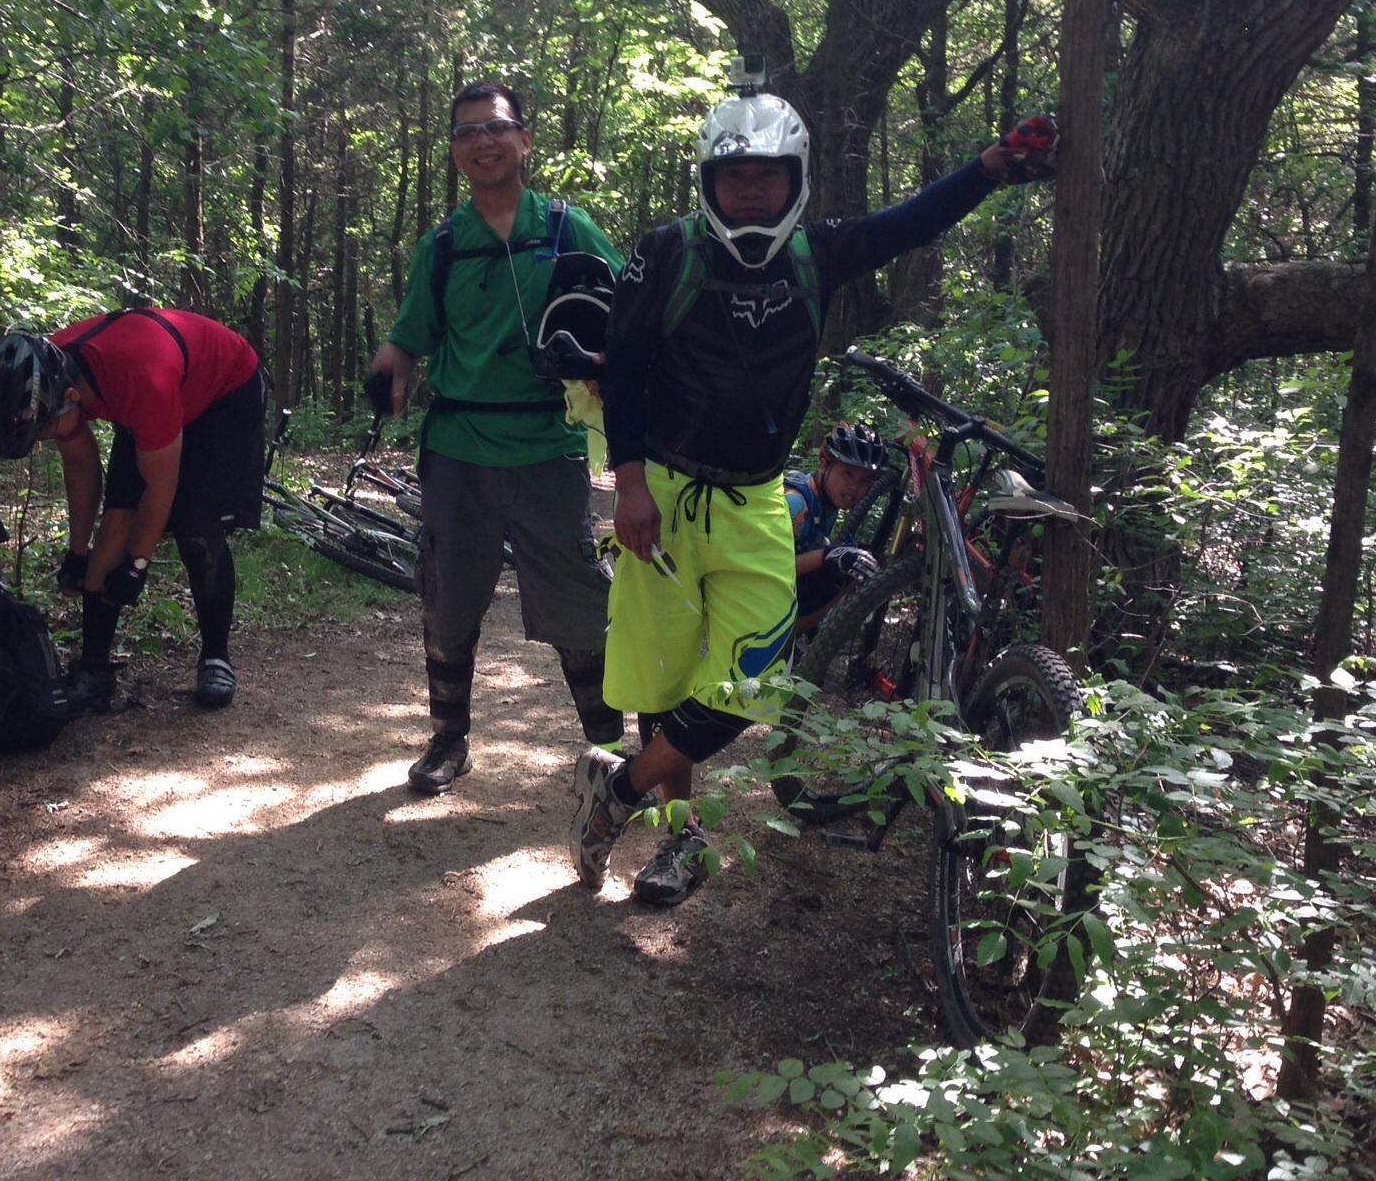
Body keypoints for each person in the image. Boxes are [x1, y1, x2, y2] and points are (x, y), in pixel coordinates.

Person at [573, 75, 1056, 905]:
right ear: (708, 180)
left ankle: (614, 794)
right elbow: (628, 370)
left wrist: (994, 167)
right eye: (735, 176)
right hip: (665, 497)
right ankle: (677, 843)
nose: (751, 189)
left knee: (744, 691)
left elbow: (911, 222)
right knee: (664, 685)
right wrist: (630, 486)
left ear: (795, 179)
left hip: (758, 503)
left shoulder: (817, 251)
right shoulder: (668, 251)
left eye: (768, 175)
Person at [369, 79, 627, 794]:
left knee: (577, 598)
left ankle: (608, 750)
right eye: (465, 133)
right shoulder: (445, 246)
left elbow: (626, 315)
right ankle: (449, 740)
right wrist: (389, 366)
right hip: (458, 449)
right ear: (454, 152)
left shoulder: (570, 229)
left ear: (524, 140)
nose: (481, 142)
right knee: (448, 595)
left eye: (494, 128)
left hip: (549, 447)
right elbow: (409, 336)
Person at [0, 307, 267, 713]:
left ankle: (216, 657)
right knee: (115, 522)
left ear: (70, 399)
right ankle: (95, 670)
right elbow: (83, 470)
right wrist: (78, 554)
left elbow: (159, 490)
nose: (43, 441)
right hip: (157, 389)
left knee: (196, 530)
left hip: (226, 392)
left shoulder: (141, 380)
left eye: (43, 433)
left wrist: (137, 565)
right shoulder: (50, 371)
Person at [788, 422, 890, 634]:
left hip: (776, 588)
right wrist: (829, 555)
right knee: (837, 565)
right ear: (825, 464)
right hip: (747, 590)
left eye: (865, 481)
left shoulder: (826, 503)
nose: (855, 487)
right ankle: (783, 642)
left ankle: (799, 635)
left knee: (852, 567)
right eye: (848, 474)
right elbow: (770, 568)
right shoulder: (797, 503)